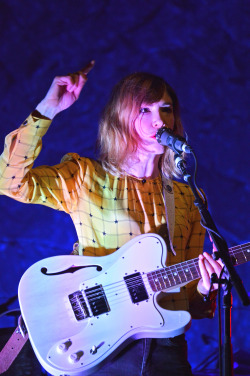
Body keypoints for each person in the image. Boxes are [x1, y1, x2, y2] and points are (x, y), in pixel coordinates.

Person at [0, 61, 223, 376]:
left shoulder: (189, 197)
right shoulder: (85, 177)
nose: (160, 121)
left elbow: (189, 302)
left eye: (166, 109)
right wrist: (47, 109)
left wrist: (203, 286)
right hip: (100, 345)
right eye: (144, 110)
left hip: (165, 350)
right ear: (119, 119)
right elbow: (10, 182)